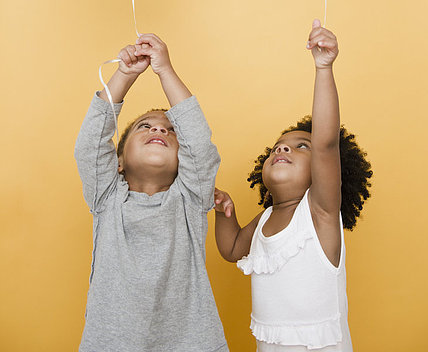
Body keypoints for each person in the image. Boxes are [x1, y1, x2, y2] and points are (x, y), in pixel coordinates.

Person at [214, 20, 372, 352]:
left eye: (302, 146)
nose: (282, 148)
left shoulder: (319, 213)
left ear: (321, 170)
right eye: (278, 147)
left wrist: (324, 68)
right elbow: (231, 251)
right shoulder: (264, 220)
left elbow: (326, 143)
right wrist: (225, 213)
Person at [75, 33, 229, 352]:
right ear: (118, 162)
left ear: (183, 160)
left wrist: (165, 71)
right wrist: (125, 74)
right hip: (111, 344)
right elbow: (90, 144)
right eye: (145, 126)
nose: (159, 129)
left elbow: (199, 144)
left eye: (171, 131)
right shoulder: (107, 198)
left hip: (190, 343)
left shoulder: (190, 198)